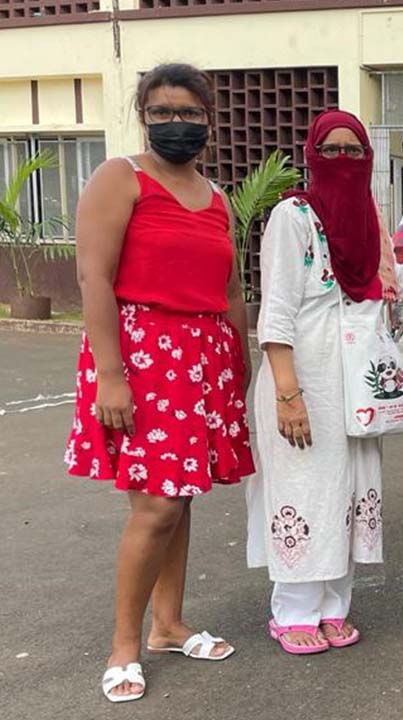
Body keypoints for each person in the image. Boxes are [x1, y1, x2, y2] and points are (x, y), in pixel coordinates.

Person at [66, 63, 256, 703]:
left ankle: (169, 625)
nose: (178, 124)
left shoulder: (218, 196)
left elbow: (229, 289)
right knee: (158, 504)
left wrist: (241, 362)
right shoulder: (121, 178)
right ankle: (125, 643)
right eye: (163, 112)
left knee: (184, 495)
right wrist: (111, 377)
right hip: (144, 357)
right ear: (144, 116)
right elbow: (94, 279)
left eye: (191, 113)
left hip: (205, 357)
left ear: (209, 118)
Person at [247, 110, 403, 655]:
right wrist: (288, 393)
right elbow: (276, 312)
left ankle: (332, 608)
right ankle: (293, 611)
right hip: (302, 382)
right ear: (312, 156)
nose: (344, 161)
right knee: (304, 490)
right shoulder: (293, 216)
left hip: (356, 387)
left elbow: (382, 297)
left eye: (355, 151)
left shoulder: (370, 223)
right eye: (332, 151)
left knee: (347, 492)